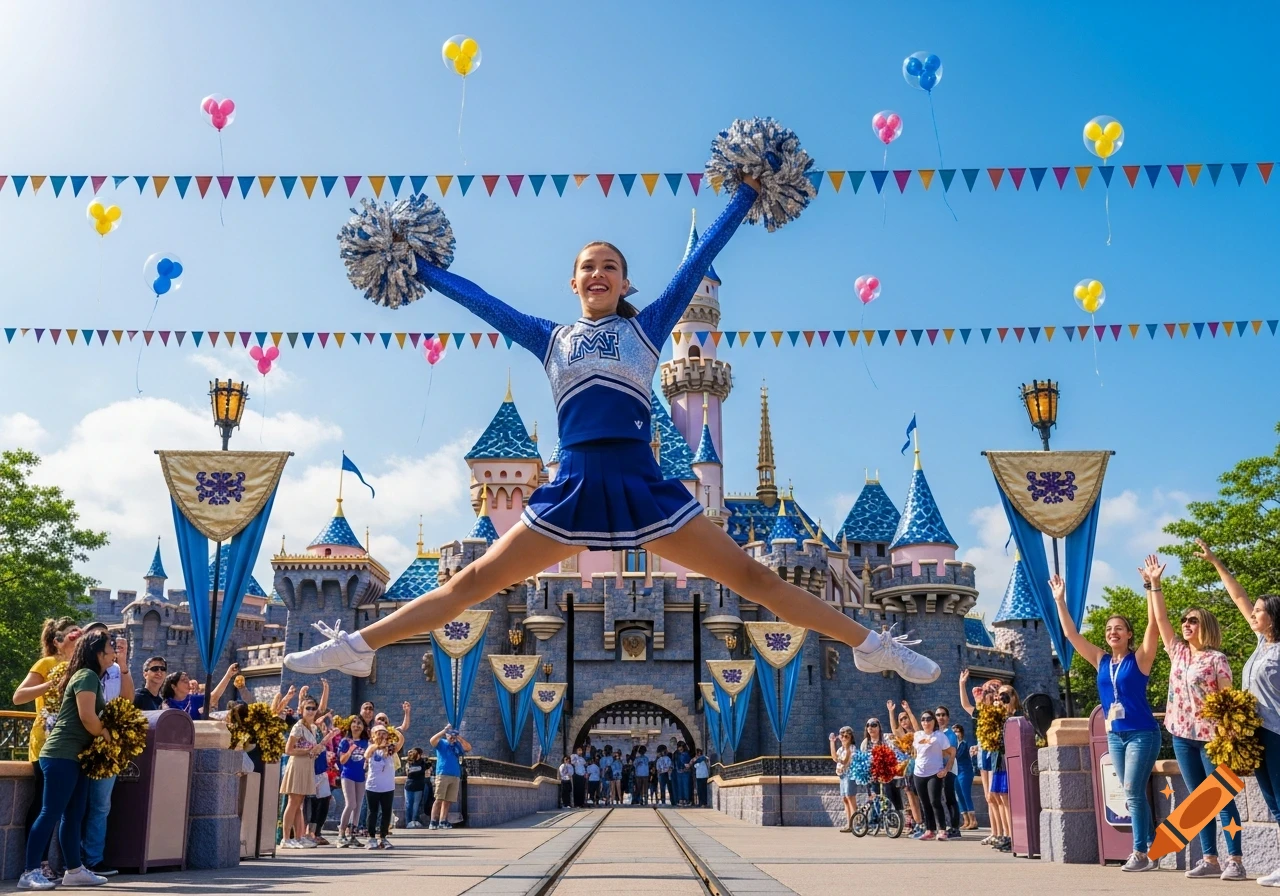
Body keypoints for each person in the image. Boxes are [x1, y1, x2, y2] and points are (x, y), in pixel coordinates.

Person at [283, 177, 939, 690]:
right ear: (572, 282)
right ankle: (357, 648)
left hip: (645, 490)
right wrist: (416, 267)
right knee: (467, 586)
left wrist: (746, 193)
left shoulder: (648, 329)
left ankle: (875, 647)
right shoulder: (549, 338)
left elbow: (703, 255)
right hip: (569, 493)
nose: (597, 274)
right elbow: (481, 300)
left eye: (609, 267)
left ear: (625, 283)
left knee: (756, 580)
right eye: (587, 267)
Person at [1140, 553, 1244, 879]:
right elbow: (1159, 621)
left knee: (1221, 797)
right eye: (1184, 620)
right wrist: (1154, 585)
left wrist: (1231, 734)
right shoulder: (1178, 652)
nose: (1186, 624)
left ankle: (1236, 860)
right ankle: (1210, 860)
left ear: (1205, 626)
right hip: (1182, 735)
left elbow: (1228, 700)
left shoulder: (1217, 659)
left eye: (1193, 620)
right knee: (1200, 800)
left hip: (1213, 737)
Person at [1052, 572, 1160, 872]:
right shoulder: (1100, 659)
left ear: (1129, 635)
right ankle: (1152, 845)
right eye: (1109, 629)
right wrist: (1060, 601)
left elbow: (1154, 626)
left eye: (1119, 628)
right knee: (1131, 792)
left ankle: (1140, 853)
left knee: (1133, 791)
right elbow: (1072, 635)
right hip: (1116, 735)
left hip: (1141, 734)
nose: (1113, 632)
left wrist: (1151, 587)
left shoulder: (1139, 659)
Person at [1193, 539, 1280, 886]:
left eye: (1260, 611)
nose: (1253, 614)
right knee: (1273, 800)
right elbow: (1239, 596)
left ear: (1272, 616)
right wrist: (1215, 562)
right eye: (1255, 610)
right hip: (1257, 733)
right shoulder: (1262, 643)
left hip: (1277, 732)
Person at [18, 628, 115, 890]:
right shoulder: (86, 676)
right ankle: (29, 871)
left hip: (76, 756)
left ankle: (74, 870)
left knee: (74, 815)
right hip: (61, 754)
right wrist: (108, 735)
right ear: (98, 652)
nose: (114, 652)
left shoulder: (90, 676)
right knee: (50, 812)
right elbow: (87, 717)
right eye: (110, 647)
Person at [12, 617, 81, 887]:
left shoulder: (80, 666)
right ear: (57, 641)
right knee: (43, 802)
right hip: (46, 741)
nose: (76, 637)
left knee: (64, 806)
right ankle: (36, 865)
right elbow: (19, 696)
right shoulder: (46, 664)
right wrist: (52, 683)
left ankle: (64, 865)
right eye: (70, 634)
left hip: (69, 743)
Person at [959, 672, 1012, 849]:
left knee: (997, 796)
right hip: (984, 753)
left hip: (995, 753)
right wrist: (962, 685)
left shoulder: (999, 713)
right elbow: (965, 705)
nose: (985, 695)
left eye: (989, 692)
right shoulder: (982, 713)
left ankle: (1006, 833)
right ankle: (996, 832)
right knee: (990, 797)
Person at [279, 697, 322, 849]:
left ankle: (298, 837)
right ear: (302, 710)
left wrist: (315, 752)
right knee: (293, 802)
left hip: (307, 765)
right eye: (308, 708)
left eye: (313, 708)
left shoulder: (313, 728)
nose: (311, 711)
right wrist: (308, 750)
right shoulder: (298, 727)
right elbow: (288, 749)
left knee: (299, 804)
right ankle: (285, 838)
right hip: (297, 765)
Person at [908, 709, 955, 841]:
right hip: (919, 773)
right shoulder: (917, 735)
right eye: (923, 719)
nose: (925, 721)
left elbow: (952, 752)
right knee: (925, 802)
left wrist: (946, 769)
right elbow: (916, 751)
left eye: (929, 719)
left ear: (934, 721)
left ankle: (942, 830)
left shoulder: (939, 736)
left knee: (935, 801)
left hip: (935, 773)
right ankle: (930, 830)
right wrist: (908, 711)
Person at [888, 701, 924, 836]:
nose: (903, 721)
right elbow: (894, 729)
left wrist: (908, 710)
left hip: (920, 767)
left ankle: (925, 823)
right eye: (901, 719)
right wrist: (891, 712)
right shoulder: (903, 737)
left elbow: (917, 727)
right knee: (910, 796)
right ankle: (917, 823)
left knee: (920, 796)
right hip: (908, 768)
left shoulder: (917, 733)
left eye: (905, 718)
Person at [162, 663, 238, 720]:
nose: (188, 682)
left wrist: (228, 675)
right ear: (173, 686)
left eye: (188, 680)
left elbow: (213, 697)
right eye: (184, 681)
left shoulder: (193, 699)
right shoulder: (166, 704)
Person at [429, 725, 470, 830]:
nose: (451, 737)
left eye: (453, 735)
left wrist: (459, 737)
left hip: (455, 775)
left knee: (448, 801)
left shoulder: (457, 745)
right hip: (443, 773)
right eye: (449, 734)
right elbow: (432, 740)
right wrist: (443, 731)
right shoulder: (442, 743)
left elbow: (468, 748)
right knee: (439, 799)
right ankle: (433, 821)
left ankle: (443, 821)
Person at [337, 715, 369, 847]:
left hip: (360, 776)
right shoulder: (345, 741)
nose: (357, 725)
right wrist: (350, 750)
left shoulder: (365, 743)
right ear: (350, 725)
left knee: (358, 806)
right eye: (354, 722)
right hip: (348, 775)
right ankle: (341, 834)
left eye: (359, 723)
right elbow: (342, 760)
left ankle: (353, 834)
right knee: (350, 804)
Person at [860, 717, 903, 815]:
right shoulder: (865, 743)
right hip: (873, 775)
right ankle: (876, 820)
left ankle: (894, 816)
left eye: (874, 725)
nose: (870, 728)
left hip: (887, 774)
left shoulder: (886, 738)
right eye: (868, 726)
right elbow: (863, 759)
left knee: (889, 795)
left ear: (879, 727)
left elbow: (895, 751)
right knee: (875, 796)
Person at [364, 726, 397, 849]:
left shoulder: (390, 749)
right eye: (379, 733)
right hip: (373, 786)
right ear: (373, 736)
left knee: (386, 812)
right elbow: (366, 755)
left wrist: (395, 732)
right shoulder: (371, 747)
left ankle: (383, 837)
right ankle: (371, 837)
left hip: (388, 786)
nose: (382, 736)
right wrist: (379, 745)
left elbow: (401, 741)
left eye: (384, 734)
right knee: (372, 812)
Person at [934, 705, 961, 839]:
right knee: (939, 799)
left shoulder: (950, 734)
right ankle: (941, 827)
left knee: (950, 798)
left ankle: (955, 828)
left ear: (948, 718)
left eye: (943, 715)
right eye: (938, 715)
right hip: (935, 770)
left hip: (948, 770)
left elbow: (949, 753)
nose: (940, 717)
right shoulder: (934, 734)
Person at [829, 727, 858, 832]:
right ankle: (849, 823)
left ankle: (855, 823)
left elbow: (845, 762)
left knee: (850, 797)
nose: (844, 738)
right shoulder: (840, 749)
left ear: (850, 737)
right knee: (845, 799)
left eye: (846, 736)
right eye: (842, 735)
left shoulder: (852, 748)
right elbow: (834, 758)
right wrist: (832, 742)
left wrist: (848, 752)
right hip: (842, 776)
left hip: (849, 775)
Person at [951, 724, 977, 831]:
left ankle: (973, 820)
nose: (956, 733)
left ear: (961, 733)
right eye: (954, 732)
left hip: (965, 772)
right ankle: (966, 820)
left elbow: (958, 756)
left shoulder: (964, 744)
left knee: (966, 795)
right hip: (956, 772)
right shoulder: (952, 746)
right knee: (959, 796)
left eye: (958, 731)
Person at [404, 747, 429, 828]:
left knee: (415, 804)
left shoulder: (422, 763)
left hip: (417, 785)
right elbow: (409, 774)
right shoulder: (410, 763)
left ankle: (413, 820)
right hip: (410, 785)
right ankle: (409, 821)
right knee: (410, 804)